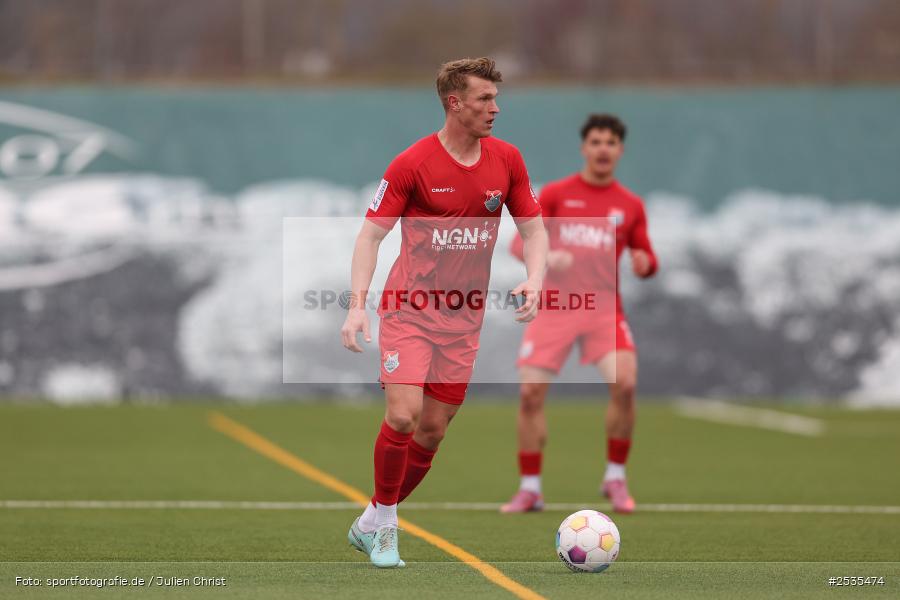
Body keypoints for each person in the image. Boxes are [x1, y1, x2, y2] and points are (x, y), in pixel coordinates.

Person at [340, 57, 548, 568]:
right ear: (455, 103)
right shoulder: (411, 164)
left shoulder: (508, 160)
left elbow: (534, 229)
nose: (495, 108)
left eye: (496, 99)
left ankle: (371, 518)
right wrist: (355, 308)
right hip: (409, 312)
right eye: (484, 99)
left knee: (433, 430)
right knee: (404, 416)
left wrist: (536, 278)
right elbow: (370, 236)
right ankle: (387, 529)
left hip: (463, 322)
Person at [501, 113, 658, 514]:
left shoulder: (630, 205)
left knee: (625, 385)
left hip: (604, 311)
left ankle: (615, 477)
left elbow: (647, 255)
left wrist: (645, 263)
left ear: (620, 150)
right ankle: (530, 487)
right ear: (584, 148)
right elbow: (519, 245)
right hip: (555, 309)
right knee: (530, 393)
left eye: (610, 142)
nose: (603, 149)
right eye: (596, 142)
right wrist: (550, 255)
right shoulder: (556, 194)